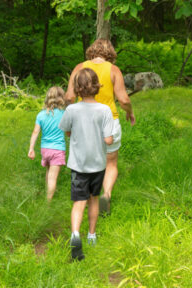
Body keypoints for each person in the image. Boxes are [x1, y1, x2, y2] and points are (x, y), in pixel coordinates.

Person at [65, 39, 135, 216]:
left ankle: (87, 196)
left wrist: (70, 115)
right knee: (110, 162)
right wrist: (129, 112)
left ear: (91, 51)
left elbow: (68, 97)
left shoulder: (80, 67)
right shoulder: (113, 70)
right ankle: (106, 194)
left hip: (83, 123)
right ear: (110, 53)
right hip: (109, 120)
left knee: (86, 160)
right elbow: (124, 99)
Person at [59, 68, 114, 261]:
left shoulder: (71, 110)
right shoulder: (105, 110)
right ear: (97, 86)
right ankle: (91, 235)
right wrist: (107, 136)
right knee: (94, 199)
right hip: (98, 165)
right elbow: (108, 140)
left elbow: (66, 131)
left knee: (79, 202)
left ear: (77, 88)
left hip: (78, 165)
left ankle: (75, 235)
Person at [28, 86, 67, 202]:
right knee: (52, 177)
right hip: (58, 149)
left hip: (45, 149)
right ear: (61, 98)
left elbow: (35, 132)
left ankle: (47, 194)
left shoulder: (41, 115)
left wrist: (31, 148)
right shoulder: (64, 114)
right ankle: (48, 203)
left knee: (48, 172)